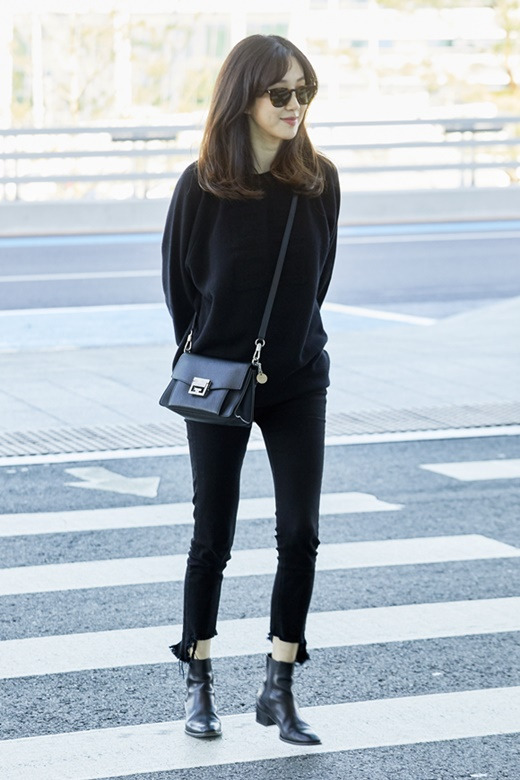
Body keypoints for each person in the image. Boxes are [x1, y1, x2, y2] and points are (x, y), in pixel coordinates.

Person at [161, 33, 340, 746]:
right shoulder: (201, 184)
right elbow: (180, 293)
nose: (296, 105)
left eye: (306, 92)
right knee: (214, 534)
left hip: (298, 379)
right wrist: (219, 352)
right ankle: (198, 681)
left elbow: (317, 282)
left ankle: (279, 686)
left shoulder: (319, 180)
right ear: (244, 98)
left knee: (300, 533)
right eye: (281, 93)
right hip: (219, 382)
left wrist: (286, 348)